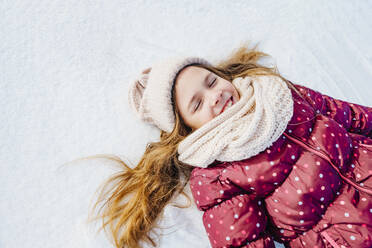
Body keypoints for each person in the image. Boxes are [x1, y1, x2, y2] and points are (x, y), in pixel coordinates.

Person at [90, 44, 372, 248]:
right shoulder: (215, 174)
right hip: (352, 235)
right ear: (187, 128)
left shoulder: (277, 95)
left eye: (211, 82)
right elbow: (241, 240)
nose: (215, 96)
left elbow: (347, 114)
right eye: (197, 103)